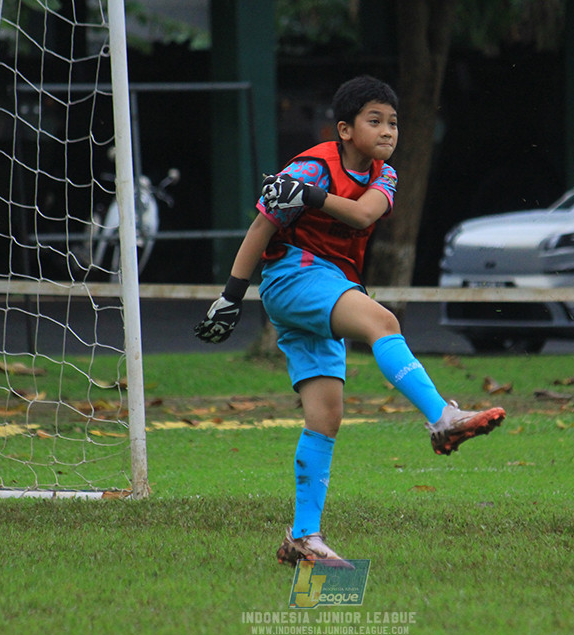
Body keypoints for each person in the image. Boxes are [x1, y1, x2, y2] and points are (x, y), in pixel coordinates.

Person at [194, 75, 505, 567]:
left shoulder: (386, 175)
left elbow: (362, 216)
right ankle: (442, 418)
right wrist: (230, 297)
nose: (387, 131)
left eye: (393, 122)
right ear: (344, 129)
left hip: (330, 286)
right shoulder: (311, 166)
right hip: (295, 278)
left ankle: (303, 538)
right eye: (374, 121)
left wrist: (309, 199)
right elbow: (262, 226)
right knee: (383, 322)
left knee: (326, 416)